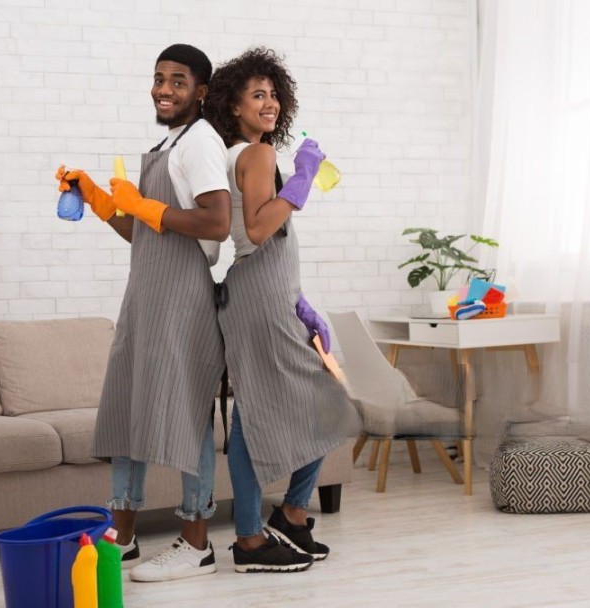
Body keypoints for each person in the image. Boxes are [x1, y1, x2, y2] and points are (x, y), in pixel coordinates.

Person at [56, 44, 231, 583]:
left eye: (178, 81)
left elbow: (217, 222)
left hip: (180, 297)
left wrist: (147, 206)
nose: (164, 88)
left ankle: (197, 540)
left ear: (200, 91)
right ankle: (121, 536)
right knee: (128, 407)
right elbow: (145, 233)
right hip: (146, 291)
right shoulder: (168, 142)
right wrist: (101, 202)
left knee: (185, 413)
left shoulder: (201, 142)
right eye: (158, 78)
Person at [204, 47, 361, 573]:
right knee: (328, 403)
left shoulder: (244, 155)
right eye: (257, 95)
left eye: (273, 94)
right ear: (233, 107)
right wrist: (305, 176)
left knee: (258, 415)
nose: (268, 103)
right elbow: (256, 228)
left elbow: (256, 243)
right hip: (259, 296)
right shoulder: (256, 155)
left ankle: (276, 524)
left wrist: (297, 299)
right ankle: (269, 526)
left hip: (264, 292)